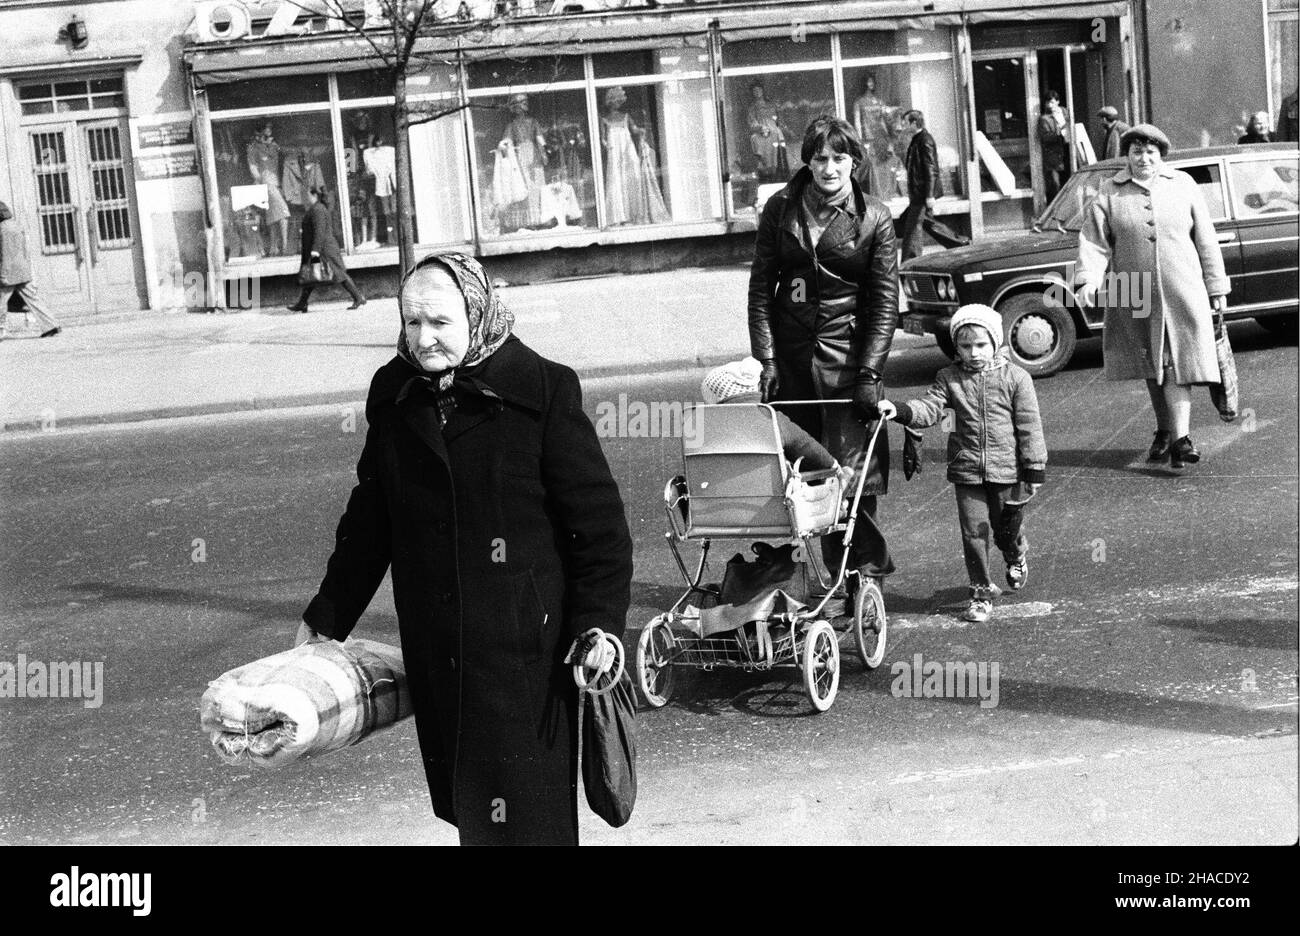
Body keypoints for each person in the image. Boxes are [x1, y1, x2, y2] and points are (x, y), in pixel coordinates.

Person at [295, 252, 633, 845]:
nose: (423, 340)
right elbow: (371, 518)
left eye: (440, 324)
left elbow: (599, 530)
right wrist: (327, 617)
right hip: (438, 648)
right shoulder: (394, 392)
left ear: (477, 315)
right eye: (411, 322)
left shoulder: (545, 390)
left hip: (526, 654)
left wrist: (598, 627)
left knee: (529, 824)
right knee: (473, 814)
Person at [747, 115, 899, 603]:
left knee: (856, 473)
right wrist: (767, 359)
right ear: (807, 161)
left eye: (839, 158)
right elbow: (760, 291)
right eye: (819, 158)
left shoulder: (874, 216)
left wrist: (870, 373)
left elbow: (883, 303)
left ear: (854, 161)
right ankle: (829, 571)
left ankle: (863, 575)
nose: (829, 168)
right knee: (808, 475)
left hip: (849, 364)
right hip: (792, 365)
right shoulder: (780, 209)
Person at [1074, 123, 1230, 470]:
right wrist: (1087, 280)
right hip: (1134, 291)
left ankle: (1180, 439)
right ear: (1126, 155)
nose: (1143, 158)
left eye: (1150, 152)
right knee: (1151, 363)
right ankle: (1165, 430)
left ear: (1161, 155)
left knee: (1177, 363)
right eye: (1136, 151)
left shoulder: (1183, 185)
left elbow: (1206, 238)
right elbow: (1094, 242)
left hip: (1182, 290)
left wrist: (1216, 286)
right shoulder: (1108, 193)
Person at [878, 305, 1047, 623]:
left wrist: (1034, 467)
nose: (973, 352)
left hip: (1007, 470)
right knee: (974, 532)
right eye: (965, 346)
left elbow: (1029, 425)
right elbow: (929, 407)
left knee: (1006, 529)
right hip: (966, 469)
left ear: (995, 342)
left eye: (981, 344)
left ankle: (1015, 554)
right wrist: (900, 409)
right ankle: (981, 592)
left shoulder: (1016, 378)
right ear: (956, 347)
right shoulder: (949, 378)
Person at [701, 358, 839, 471]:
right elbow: (812, 452)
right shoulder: (773, 419)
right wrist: (834, 467)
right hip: (769, 499)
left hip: (712, 500)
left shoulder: (702, 426)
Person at [287, 187, 365, 312]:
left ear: (314, 196)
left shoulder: (318, 210)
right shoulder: (316, 209)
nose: (305, 198)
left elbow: (320, 231)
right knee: (311, 274)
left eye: (306, 195)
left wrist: (315, 250)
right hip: (322, 248)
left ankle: (358, 297)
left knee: (338, 274)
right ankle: (302, 303)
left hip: (324, 250)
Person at [0, 201, 61, 339]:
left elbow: (6, 254)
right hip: (21, 270)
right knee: (33, 299)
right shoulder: (16, 225)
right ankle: (51, 324)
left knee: (1, 301)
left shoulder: (3, 229)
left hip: (10, 273)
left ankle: (0, 330)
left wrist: (3, 275)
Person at [900, 109, 941, 261]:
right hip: (918, 193)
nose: (903, 126)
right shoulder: (917, 139)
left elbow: (931, 169)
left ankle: (910, 261)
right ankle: (961, 244)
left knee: (912, 229)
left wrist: (930, 195)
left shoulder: (925, 140)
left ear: (914, 123)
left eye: (905, 123)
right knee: (930, 224)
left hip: (922, 193)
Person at [746, 81, 791, 182]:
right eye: (755, 91)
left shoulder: (771, 104)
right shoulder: (752, 108)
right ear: (752, 93)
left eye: (759, 90)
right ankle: (768, 176)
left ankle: (782, 178)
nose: (757, 93)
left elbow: (779, 119)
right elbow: (752, 122)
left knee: (780, 156)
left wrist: (784, 128)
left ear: (763, 91)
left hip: (776, 133)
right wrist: (761, 128)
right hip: (763, 135)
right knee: (765, 159)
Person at [1038, 90, 1072, 201]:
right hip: (1053, 158)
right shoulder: (1044, 119)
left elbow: (1071, 125)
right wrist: (1058, 133)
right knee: (1055, 186)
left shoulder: (1064, 112)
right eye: (1048, 103)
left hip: (1067, 152)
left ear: (1058, 102)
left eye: (1052, 102)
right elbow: (1045, 138)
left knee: (1069, 182)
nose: (1050, 105)